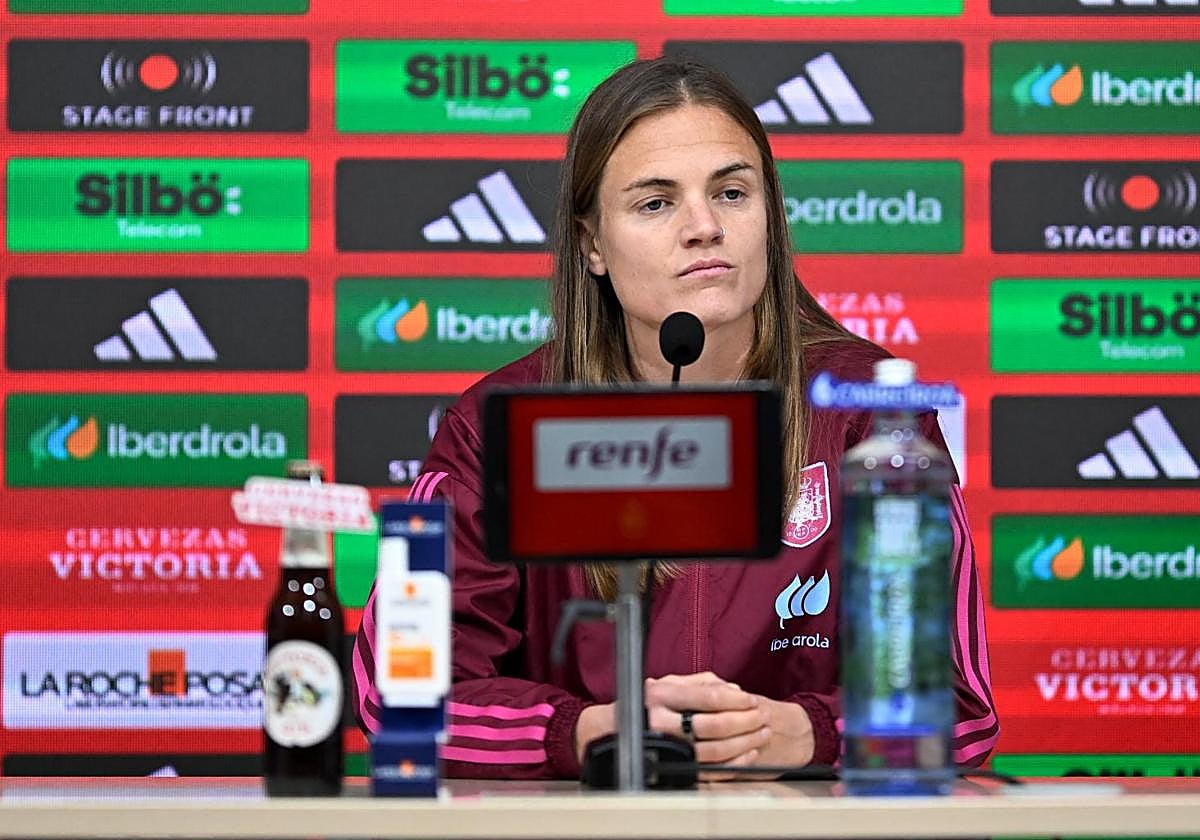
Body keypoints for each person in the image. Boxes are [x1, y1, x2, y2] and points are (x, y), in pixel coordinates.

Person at [352, 57, 997, 780]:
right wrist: (589, 731)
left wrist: (802, 733)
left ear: (770, 215)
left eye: (731, 191)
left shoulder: (870, 414)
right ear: (593, 243)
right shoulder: (490, 428)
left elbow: (961, 712)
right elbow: (398, 702)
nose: (704, 227)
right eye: (655, 203)